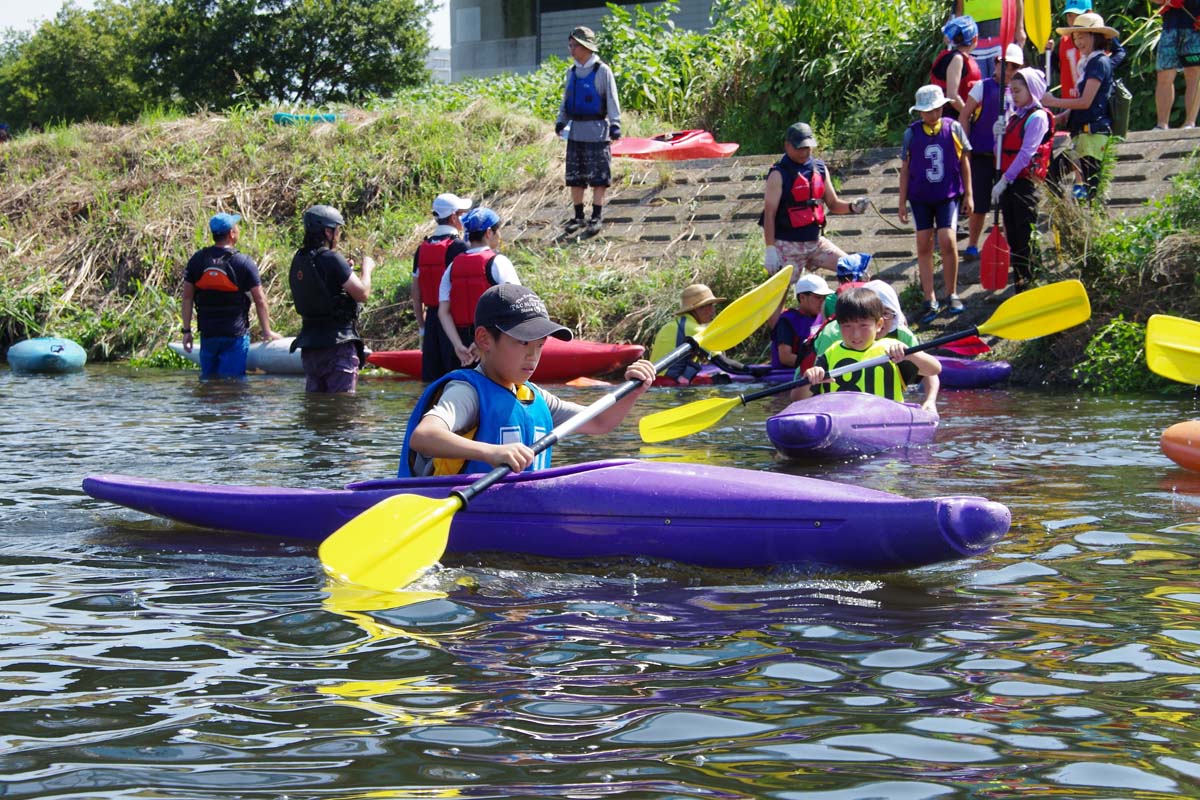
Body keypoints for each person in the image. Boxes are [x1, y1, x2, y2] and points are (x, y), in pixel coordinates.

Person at [400, 284, 655, 477]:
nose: (533, 356)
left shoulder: (533, 397)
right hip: (471, 512)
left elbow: (600, 421)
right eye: (523, 343)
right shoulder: (467, 392)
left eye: (540, 345)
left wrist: (632, 391)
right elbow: (424, 436)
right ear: (485, 339)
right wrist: (490, 452)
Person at [792, 287, 940, 413]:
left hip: (886, 421)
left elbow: (934, 369)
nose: (856, 334)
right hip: (840, 422)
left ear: (879, 324)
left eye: (863, 326)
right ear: (839, 326)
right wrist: (809, 380)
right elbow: (797, 398)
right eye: (847, 326)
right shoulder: (830, 354)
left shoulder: (891, 350)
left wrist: (911, 355)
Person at [898, 85, 973, 324]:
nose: (933, 114)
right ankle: (929, 296)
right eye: (927, 110)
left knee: (947, 240)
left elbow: (964, 162)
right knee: (923, 243)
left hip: (947, 196)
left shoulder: (954, 128)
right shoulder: (911, 134)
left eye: (937, 109)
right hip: (920, 197)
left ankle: (951, 292)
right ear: (919, 112)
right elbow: (905, 170)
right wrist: (901, 202)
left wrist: (968, 195)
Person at [762, 122, 869, 283]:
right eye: (799, 148)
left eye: (807, 147)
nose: (804, 152)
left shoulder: (819, 167)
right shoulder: (778, 174)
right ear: (787, 145)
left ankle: (847, 306)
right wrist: (770, 249)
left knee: (856, 271)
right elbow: (769, 214)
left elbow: (833, 204)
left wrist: (853, 207)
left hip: (815, 243)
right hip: (787, 245)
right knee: (778, 298)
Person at [180, 212, 281, 378]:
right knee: (233, 386)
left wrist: (186, 331)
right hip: (235, 336)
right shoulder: (243, 262)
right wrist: (267, 331)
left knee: (209, 383)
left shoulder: (197, 260)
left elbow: (187, 298)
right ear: (231, 234)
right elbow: (260, 300)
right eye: (236, 227)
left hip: (208, 335)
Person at [288, 204, 373, 394]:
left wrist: (344, 269)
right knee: (343, 409)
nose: (339, 235)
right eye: (337, 230)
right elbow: (362, 293)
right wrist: (367, 269)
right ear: (327, 232)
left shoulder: (299, 259)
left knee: (317, 409)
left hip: (310, 347)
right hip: (338, 345)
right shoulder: (332, 259)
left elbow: (322, 283)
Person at [1043, 12, 1118, 202]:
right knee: (1052, 174)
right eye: (1076, 37)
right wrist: (1064, 114)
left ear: (1096, 36)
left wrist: (1054, 102)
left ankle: (1089, 224)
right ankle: (1069, 214)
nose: (1078, 41)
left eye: (1082, 36)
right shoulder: (1087, 63)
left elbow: (1086, 101)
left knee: (1092, 191)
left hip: (1093, 136)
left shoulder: (1099, 62)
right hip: (1080, 134)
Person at [991, 68, 1055, 292]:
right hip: (1009, 184)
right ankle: (1020, 284)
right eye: (1012, 91)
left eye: (1018, 91)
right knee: (1014, 238)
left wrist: (1005, 180)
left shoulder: (1037, 118)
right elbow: (999, 152)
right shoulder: (1015, 116)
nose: (1014, 96)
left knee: (1025, 238)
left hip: (1024, 185)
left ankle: (1031, 282)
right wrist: (996, 134)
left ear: (1032, 90)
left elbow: (1026, 153)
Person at [437, 207, 522, 371]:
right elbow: (516, 303)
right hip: (492, 341)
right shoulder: (499, 262)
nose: (500, 236)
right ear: (489, 232)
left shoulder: (453, 266)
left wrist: (458, 346)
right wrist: (480, 342)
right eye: (498, 231)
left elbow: (443, 312)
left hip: (461, 348)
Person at [555, 26, 622, 236]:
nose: (571, 49)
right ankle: (578, 216)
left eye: (575, 45)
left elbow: (612, 99)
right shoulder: (572, 72)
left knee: (599, 177)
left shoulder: (602, 71)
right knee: (575, 177)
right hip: (576, 132)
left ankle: (596, 216)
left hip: (597, 132)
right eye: (570, 45)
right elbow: (566, 101)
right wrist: (561, 121)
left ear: (585, 47)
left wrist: (615, 124)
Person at [960, 43, 1024, 261]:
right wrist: (965, 147)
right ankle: (971, 245)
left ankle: (1005, 245)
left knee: (1007, 205)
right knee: (979, 204)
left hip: (1007, 158)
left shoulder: (1020, 93)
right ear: (996, 64)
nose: (1008, 71)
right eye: (1005, 65)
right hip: (982, 156)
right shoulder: (982, 87)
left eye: (1014, 67)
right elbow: (965, 115)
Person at [412, 192, 471, 381]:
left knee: (432, 381)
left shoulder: (422, 248)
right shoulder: (460, 247)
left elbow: (416, 292)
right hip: (453, 322)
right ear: (454, 217)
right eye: (462, 214)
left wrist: (422, 326)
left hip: (431, 323)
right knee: (456, 378)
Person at [650, 284, 724, 386]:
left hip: (653, 382)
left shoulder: (670, 325)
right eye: (709, 305)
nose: (713, 310)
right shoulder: (694, 329)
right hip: (670, 384)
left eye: (712, 305)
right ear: (697, 309)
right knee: (723, 380)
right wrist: (749, 371)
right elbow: (724, 363)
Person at [1150, 0, 1200, 130]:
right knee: (1164, 75)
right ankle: (1161, 124)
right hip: (1170, 27)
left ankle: (1190, 123)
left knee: (1193, 74)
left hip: (1195, 25)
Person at [771, 272, 832, 370]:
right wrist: (816, 365)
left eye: (824, 298)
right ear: (802, 297)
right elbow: (785, 358)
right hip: (786, 375)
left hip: (814, 369)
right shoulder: (787, 320)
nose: (822, 301)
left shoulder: (824, 317)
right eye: (818, 297)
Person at [931, 16, 983, 120]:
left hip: (957, 115)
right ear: (975, 38)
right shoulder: (957, 59)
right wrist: (969, 115)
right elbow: (952, 96)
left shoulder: (956, 57)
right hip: (953, 117)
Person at [955, 0, 1024, 79]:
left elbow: (1017, 2)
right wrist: (955, 31)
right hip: (973, 40)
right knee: (977, 83)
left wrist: (1020, 28)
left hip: (1002, 36)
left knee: (1002, 82)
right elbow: (959, 9)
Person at [822, 252, 873, 319]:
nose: (869, 275)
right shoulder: (873, 295)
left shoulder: (830, 300)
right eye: (866, 272)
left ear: (838, 279)